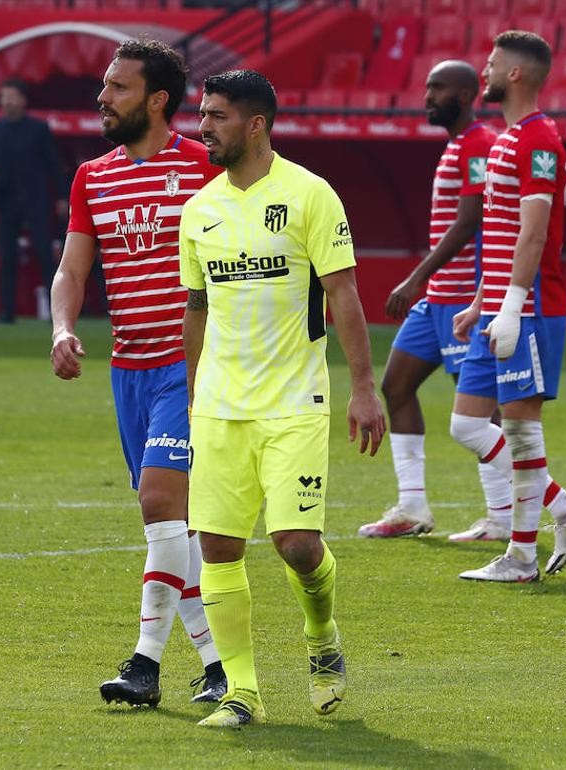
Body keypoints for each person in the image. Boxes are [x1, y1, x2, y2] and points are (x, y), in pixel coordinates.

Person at [180, 70, 386, 727]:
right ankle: (243, 692)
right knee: (216, 546)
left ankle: (321, 636)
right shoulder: (200, 209)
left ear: (256, 124)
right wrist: (192, 398)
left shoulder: (309, 196)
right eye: (203, 114)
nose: (204, 126)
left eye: (216, 116)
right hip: (218, 407)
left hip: (295, 401)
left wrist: (363, 387)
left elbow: (344, 295)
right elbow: (196, 308)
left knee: (296, 543)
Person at [50, 39, 226, 708]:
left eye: (119, 88)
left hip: (193, 367)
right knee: (170, 530)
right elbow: (72, 269)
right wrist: (64, 328)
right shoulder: (93, 176)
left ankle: (145, 665)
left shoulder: (209, 168)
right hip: (129, 369)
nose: (103, 97)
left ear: (157, 99)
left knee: (160, 505)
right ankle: (218, 665)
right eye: (105, 86)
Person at [451, 31, 566, 583]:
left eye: (491, 64)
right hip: (499, 304)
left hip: (532, 308)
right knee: (467, 425)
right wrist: (479, 302)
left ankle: (520, 557)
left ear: (514, 74)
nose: (483, 72)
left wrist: (511, 306)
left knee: (519, 430)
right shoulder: (510, 140)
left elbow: (534, 234)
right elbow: (503, 233)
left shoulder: (540, 140)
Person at [358, 61, 513, 542]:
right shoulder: (458, 145)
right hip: (437, 300)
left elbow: (470, 221)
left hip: (462, 296)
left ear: (467, 95)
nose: (427, 95)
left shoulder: (481, 145)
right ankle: (412, 508)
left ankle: (504, 516)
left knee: (481, 414)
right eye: (426, 85)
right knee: (396, 386)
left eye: (438, 87)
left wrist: (415, 277)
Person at [0, 78, 69, 324]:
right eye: (4, 97)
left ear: (23, 101)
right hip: (6, 200)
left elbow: (53, 165)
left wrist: (61, 196)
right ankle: (7, 312)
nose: (7, 102)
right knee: (6, 256)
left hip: (36, 199)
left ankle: (55, 313)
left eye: (11, 97)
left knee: (45, 255)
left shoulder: (39, 129)